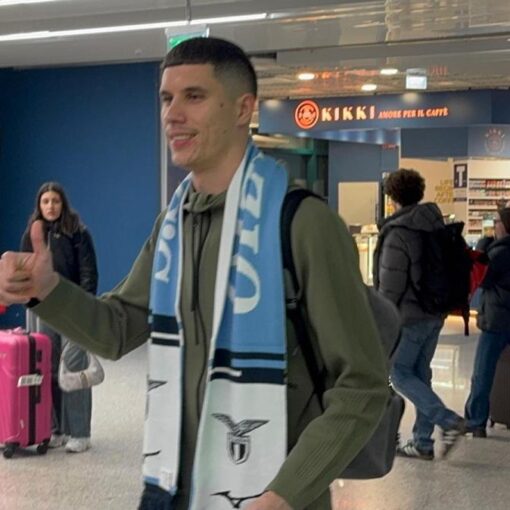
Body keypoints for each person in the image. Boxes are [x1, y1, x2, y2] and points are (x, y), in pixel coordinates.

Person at [0, 38, 388, 510]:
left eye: (194, 96)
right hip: (172, 491)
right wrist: (48, 291)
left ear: (243, 108)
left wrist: (286, 493)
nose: (173, 114)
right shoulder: (173, 225)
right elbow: (118, 329)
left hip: (273, 496)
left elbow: (362, 385)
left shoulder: (303, 224)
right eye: (167, 98)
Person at [373, 168, 464, 461]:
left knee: (399, 374)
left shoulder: (398, 232)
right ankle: (422, 442)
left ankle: (447, 420)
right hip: (435, 313)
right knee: (421, 374)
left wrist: (381, 320)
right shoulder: (434, 224)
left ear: (392, 198)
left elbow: (391, 286)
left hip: (408, 318)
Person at [21, 182, 98, 453]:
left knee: (74, 368)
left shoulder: (78, 232)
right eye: (46, 201)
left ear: (62, 203)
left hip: (73, 308)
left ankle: (80, 433)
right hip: (44, 310)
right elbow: (24, 272)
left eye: (55, 201)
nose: (51, 206)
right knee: (50, 369)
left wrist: (85, 304)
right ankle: (57, 430)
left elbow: (89, 272)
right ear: (39, 206)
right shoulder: (32, 234)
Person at [464, 207, 510, 438]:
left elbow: (481, 278)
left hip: (497, 319)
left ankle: (476, 420)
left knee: (483, 371)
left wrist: (482, 249)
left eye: (497, 222)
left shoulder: (499, 252)